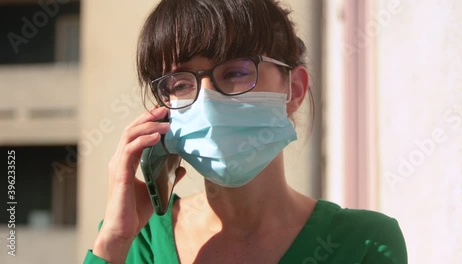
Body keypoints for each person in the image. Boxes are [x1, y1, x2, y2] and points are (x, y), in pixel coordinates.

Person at [84, 0, 407, 263]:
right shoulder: (142, 241)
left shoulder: (365, 243)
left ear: (293, 90)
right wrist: (113, 242)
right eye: (181, 83)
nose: (207, 100)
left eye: (235, 72)